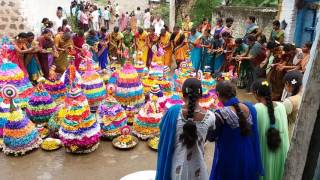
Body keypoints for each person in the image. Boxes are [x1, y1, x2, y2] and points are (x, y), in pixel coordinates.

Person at [156, 78, 215, 180]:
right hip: (199, 171)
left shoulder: (172, 112)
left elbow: (163, 131)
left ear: (183, 94)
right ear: (201, 95)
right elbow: (209, 137)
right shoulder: (211, 117)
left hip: (177, 169)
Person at [208, 81, 263, 180]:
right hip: (248, 154)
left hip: (230, 158)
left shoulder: (221, 113)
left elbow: (211, 137)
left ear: (218, 95)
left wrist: (210, 117)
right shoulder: (250, 107)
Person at [252, 79, 289, 180]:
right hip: (280, 151)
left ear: (255, 93)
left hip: (265, 152)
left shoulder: (256, 109)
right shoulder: (281, 107)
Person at [282, 71, 303, 140]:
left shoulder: (290, 101)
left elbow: (280, 116)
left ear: (287, 83)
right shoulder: (305, 95)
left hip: (291, 133)